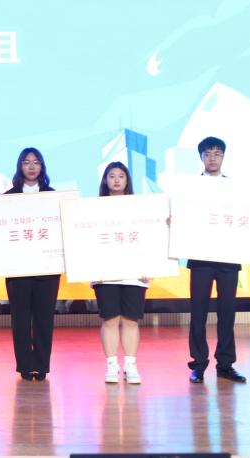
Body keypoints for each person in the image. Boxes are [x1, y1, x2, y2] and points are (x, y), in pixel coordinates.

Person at [187, 136, 246, 383]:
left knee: (227, 313)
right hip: (200, 257)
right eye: (208, 154)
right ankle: (199, 364)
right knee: (198, 313)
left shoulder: (235, 187)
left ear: (223, 156)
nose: (212, 158)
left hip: (228, 257)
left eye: (217, 153)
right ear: (201, 157)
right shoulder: (189, 188)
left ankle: (225, 364)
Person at [3, 147, 59, 381]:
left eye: (36, 162)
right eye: (26, 162)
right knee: (21, 319)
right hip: (18, 270)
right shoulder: (7, 198)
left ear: (42, 166)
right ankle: (25, 366)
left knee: (44, 319)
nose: (32, 167)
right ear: (20, 166)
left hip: (47, 269)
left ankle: (42, 365)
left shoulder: (54, 197)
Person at [92, 162, 147, 385]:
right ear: (105, 180)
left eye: (121, 176)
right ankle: (112, 366)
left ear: (127, 180)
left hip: (135, 272)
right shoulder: (93, 209)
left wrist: (150, 266)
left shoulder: (140, 207)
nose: (116, 180)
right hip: (104, 272)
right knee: (110, 320)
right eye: (112, 176)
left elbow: (148, 236)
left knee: (131, 321)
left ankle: (131, 365)